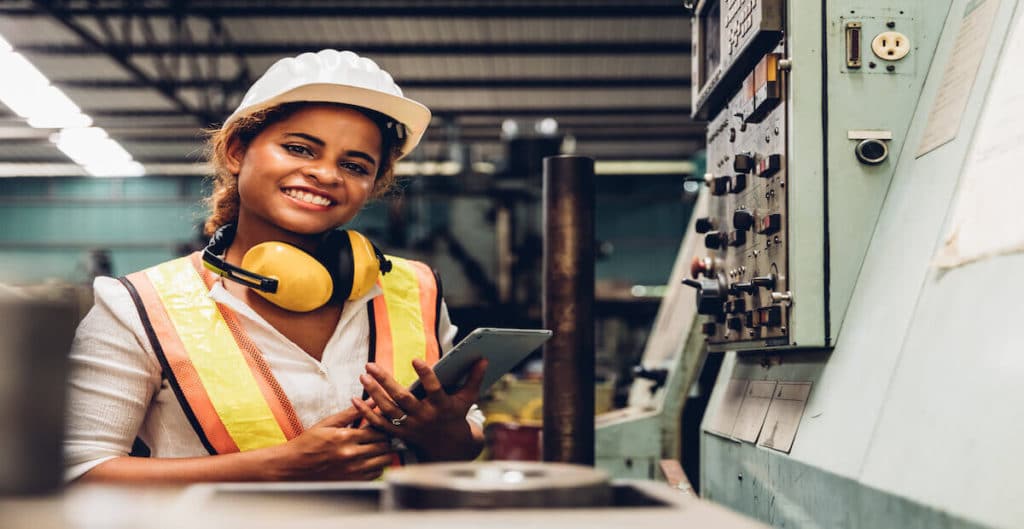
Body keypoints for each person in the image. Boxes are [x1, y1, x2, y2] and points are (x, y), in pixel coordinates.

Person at [63, 50, 486, 483]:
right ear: (236, 151)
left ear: (372, 186)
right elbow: (76, 472)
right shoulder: (137, 308)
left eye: (354, 165)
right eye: (299, 148)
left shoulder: (415, 289)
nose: (325, 174)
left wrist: (446, 435)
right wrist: (278, 466)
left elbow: (464, 439)